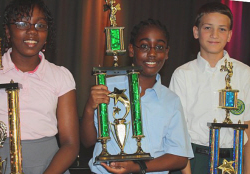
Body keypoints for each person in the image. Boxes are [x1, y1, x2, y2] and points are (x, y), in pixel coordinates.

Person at [0, 0, 79, 173]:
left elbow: (71, 144)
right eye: (22, 23)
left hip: (49, 166)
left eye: (40, 25)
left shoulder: (60, 76)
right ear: (7, 31)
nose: (32, 31)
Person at [81, 18, 193, 174]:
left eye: (159, 47)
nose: (152, 53)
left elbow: (180, 157)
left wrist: (137, 167)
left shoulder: (171, 101)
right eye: (145, 46)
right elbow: (88, 142)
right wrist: (88, 108)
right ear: (132, 50)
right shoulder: (107, 86)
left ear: (167, 53)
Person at [169, 2, 250, 174]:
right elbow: (177, 130)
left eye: (222, 29)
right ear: (196, 32)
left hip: (233, 159)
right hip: (193, 160)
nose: (214, 34)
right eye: (207, 27)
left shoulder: (244, 73)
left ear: (230, 35)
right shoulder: (183, 74)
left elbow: (248, 125)